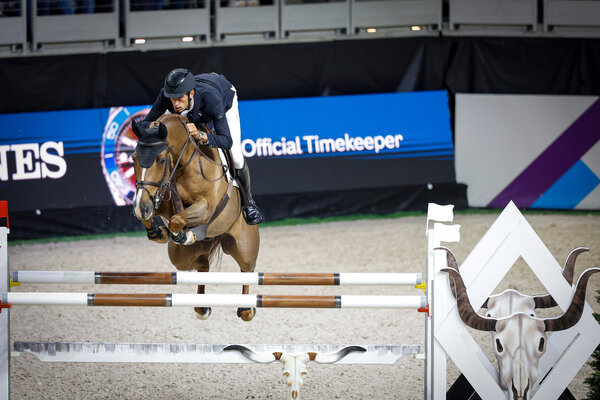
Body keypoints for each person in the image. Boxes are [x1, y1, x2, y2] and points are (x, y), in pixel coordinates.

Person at [141, 68, 265, 226]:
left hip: (223, 99)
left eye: (179, 99)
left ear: (191, 94)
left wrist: (201, 136)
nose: (175, 104)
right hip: (195, 105)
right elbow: (145, 124)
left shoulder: (211, 99)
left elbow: (226, 141)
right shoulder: (167, 97)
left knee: (237, 158)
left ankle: (249, 202)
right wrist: (157, 127)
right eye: (172, 99)